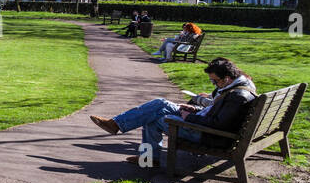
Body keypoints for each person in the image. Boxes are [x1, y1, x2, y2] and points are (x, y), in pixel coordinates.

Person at [89, 57, 257, 167]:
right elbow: (217, 111)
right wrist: (197, 109)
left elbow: (218, 124)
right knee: (160, 103)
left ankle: (146, 156)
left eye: (215, 81)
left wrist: (188, 116)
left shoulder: (238, 96)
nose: (214, 85)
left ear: (227, 78)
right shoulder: (237, 87)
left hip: (207, 135)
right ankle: (117, 126)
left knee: (153, 118)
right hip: (201, 121)